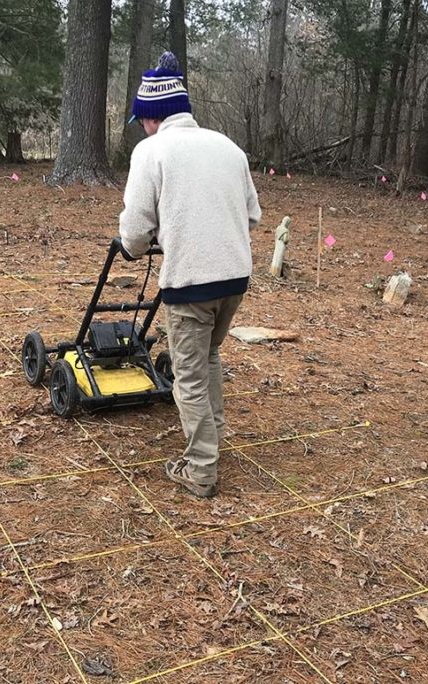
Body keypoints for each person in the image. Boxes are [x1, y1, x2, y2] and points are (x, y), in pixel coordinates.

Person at [119, 52, 262, 498]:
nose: (142, 127)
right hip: (235, 279)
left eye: (142, 120)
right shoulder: (228, 147)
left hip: (190, 284)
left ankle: (201, 468)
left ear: (152, 117)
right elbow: (253, 216)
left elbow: (136, 231)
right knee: (210, 356)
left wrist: (136, 246)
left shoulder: (152, 151)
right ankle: (212, 440)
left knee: (190, 377)